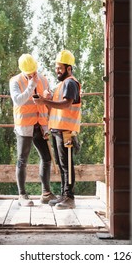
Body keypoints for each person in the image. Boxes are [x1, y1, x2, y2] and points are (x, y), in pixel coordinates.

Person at [33, 50, 81, 209]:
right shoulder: (62, 85)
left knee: (67, 165)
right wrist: (47, 99)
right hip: (58, 130)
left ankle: (69, 198)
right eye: (56, 68)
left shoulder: (70, 83)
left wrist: (45, 100)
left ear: (68, 68)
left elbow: (66, 104)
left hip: (65, 131)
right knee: (62, 165)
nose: (57, 71)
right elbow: (56, 106)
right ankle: (64, 195)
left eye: (60, 68)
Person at [9, 54, 57, 207]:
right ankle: (22, 195)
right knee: (22, 160)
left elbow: (47, 97)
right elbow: (18, 100)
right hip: (24, 126)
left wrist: (48, 96)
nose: (33, 74)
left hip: (40, 123)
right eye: (29, 72)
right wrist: (31, 85)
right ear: (22, 70)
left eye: (34, 71)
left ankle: (46, 193)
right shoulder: (15, 81)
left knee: (47, 158)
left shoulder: (42, 79)